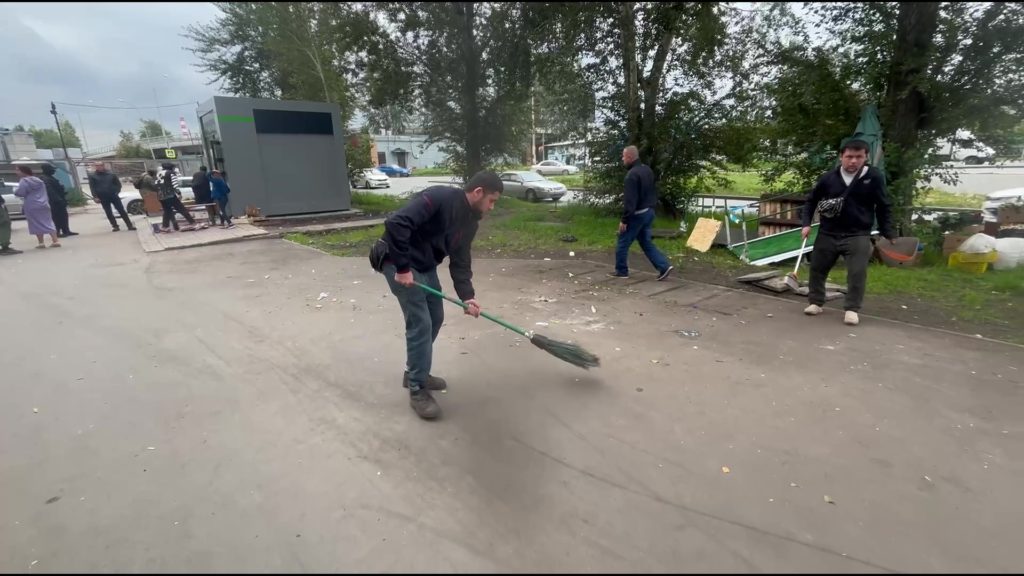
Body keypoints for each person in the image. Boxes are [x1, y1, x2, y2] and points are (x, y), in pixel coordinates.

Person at [375, 170, 503, 420]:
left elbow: (461, 260)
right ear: (478, 193)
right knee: (421, 323)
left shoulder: (470, 222)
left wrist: (467, 296)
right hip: (396, 261)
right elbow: (396, 223)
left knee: (436, 316)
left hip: (424, 265)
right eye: (492, 200)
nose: (492, 207)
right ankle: (417, 389)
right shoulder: (439, 197)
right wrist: (401, 268)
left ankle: (415, 370)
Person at [801, 139, 895, 326]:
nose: (853, 161)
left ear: (866, 157)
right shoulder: (828, 178)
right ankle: (816, 302)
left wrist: (888, 231)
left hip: (858, 233)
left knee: (857, 272)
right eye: (849, 157)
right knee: (817, 269)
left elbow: (884, 205)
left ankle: (852, 309)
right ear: (841, 157)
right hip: (828, 232)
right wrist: (806, 224)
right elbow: (811, 201)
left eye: (858, 157)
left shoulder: (874, 177)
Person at [610, 145, 674, 280]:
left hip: (638, 214)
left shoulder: (631, 175)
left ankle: (621, 271)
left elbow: (630, 201)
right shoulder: (647, 170)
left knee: (623, 241)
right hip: (649, 211)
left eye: (623, 156)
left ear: (629, 157)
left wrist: (624, 220)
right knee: (645, 242)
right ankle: (663, 267)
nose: (622, 159)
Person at [13, 165, 61, 249]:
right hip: (44, 203)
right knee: (48, 221)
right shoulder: (38, 180)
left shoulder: (24, 181)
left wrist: (15, 191)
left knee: (35, 223)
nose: (16, 172)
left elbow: (21, 192)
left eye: (18, 170)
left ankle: (41, 243)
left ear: (23, 171)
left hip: (31, 204)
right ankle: (55, 240)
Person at [88, 162, 136, 232]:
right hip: (102, 196)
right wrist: (95, 197)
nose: (99, 167)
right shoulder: (92, 176)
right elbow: (92, 187)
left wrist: (116, 192)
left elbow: (118, 184)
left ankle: (129, 225)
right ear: (95, 167)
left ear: (103, 166)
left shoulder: (111, 174)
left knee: (121, 210)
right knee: (108, 212)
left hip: (113, 195)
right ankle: (115, 226)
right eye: (97, 166)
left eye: (100, 165)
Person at [156, 163, 196, 232]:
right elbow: (174, 184)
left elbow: (156, 184)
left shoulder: (158, 174)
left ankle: (165, 226)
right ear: (171, 168)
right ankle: (192, 222)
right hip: (170, 195)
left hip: (161, 196)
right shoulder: (171, 173)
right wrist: (178, 193)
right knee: (181, 209)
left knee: (167, 211)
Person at [40, 164, 77, 237]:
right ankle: (57, 232)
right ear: (46, 169)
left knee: (63, 216)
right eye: (52, 169)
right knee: (56, 217)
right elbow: (50, 191)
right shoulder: (45, 178)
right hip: (54, 202)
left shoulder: (50, 177)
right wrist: (58, 199)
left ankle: (66, 230)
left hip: (59, 200)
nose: (53, 171)